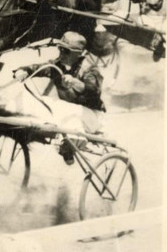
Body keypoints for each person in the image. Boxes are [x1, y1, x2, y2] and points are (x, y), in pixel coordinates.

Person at [11, 32, 106, 162]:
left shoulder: (89, 68)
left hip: (93, 117)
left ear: (79, 53)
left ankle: (76, 141)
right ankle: (66, 143)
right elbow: (40, 67)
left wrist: (75, 82)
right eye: (59, 49)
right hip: (70, 115)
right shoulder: (58, 65)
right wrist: (23, 70)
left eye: (65, 51)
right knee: (44, 101)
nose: (61, 53)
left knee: (60, 105)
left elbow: (94, 91)